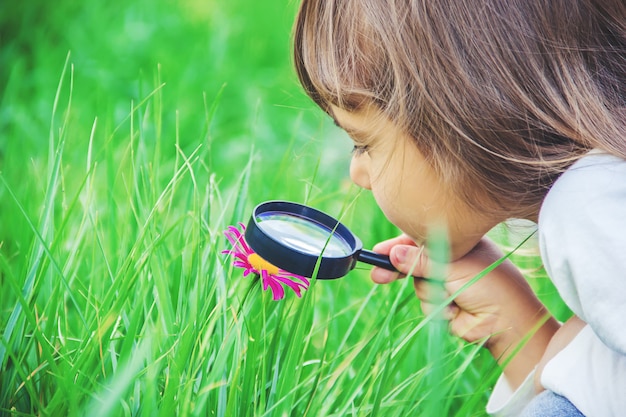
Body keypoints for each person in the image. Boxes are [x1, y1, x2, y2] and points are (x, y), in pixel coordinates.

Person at [292, 0, 626, 415]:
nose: (357, 171)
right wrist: (514, 325)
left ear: (460, 118)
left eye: (364, 143)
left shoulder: (590, 208)